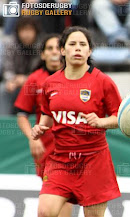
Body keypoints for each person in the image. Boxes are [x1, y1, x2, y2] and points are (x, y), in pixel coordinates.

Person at [31, 26, 122, 217]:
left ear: (89, 51)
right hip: (61, 159)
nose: (78, 48)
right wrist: (41, 127)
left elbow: (120, 118)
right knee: (45, 212)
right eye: (72, 44)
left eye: (83, 44)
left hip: (94, 160)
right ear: (63, 50)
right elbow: (48, 114)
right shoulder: (51, 83)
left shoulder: (103, 82)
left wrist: (101, 122)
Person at [14, 34, 73, 217]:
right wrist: (32, 138)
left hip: (71, 146)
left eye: (57, 48)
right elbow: (22, 114)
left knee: (65, 193)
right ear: (42, 55)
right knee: (53, 198)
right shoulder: (34, 80)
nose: (54, 52)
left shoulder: (74, 77)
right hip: (46, 148)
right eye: (49, 48)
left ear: (63, 52)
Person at [1, 16, 41, 114]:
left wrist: (26, 79)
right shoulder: (10, 45)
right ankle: (3, 124)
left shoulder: (41, 47)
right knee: (3, 90)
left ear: (36, 31)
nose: (26, 34)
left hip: (35, 83)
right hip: (14, 83)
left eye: (30, 30)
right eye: (23, 30)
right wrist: (12, 80)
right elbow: (7, 69)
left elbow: (41, 71)